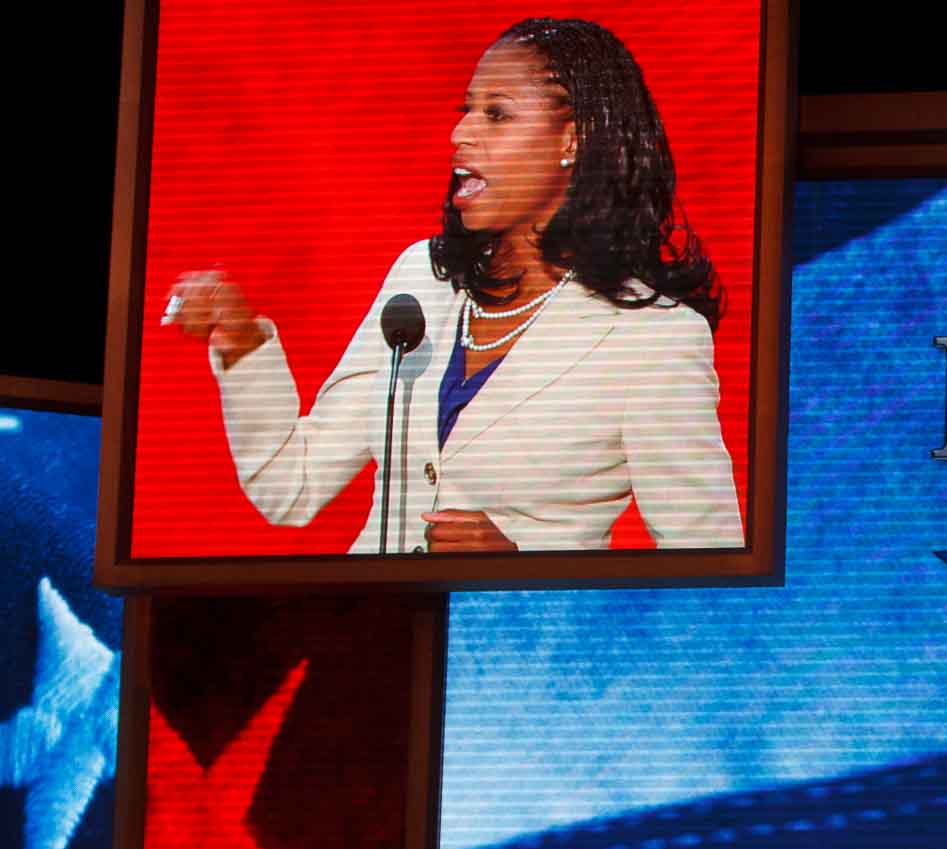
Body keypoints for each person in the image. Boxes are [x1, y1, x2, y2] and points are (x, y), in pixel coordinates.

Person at [162, 18, 744, 555]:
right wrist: (239, 342)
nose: (459, 135)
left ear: (576, 139)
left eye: (496, 114)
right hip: (377, 641)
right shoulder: (423, 278)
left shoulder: (656, 339)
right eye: (466, 111)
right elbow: (293, 485)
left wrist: (528, 565)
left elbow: (708, 567)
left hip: (509, 661)